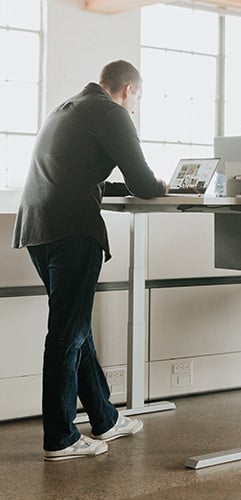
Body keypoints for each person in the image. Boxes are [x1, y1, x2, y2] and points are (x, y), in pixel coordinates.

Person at [12, 60, 169, 461]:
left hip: (37, 226)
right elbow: (143, 183)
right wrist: (162, 186)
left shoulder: (68, 107)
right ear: (129, 90)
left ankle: (105, 417)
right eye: (137, 100)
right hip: (70, 229)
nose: (134, 108)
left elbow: (81, 173)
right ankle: (61, 438)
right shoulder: (110, 112)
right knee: (68, 332)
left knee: (75, 325)